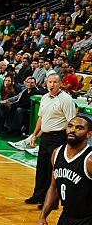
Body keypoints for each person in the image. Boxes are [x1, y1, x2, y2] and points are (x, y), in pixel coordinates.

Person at [24, 74, 76, 207]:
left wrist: (70, 142)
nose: (51, 85)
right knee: (41, 167)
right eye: (49, 82)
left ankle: (51, 201)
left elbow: (71, 122)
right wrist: (35, 135)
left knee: (52, 170)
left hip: (59, 137)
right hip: (46, 137)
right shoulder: (45, 98)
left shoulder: (66, 100)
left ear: (60, 84)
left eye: (54, 82)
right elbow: (41, 118)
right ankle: (38, 196)